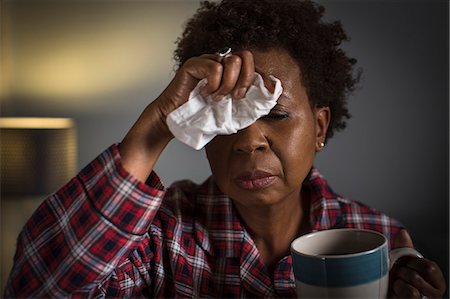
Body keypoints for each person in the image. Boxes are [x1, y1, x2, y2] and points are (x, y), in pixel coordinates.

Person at [5, 0, 446, 298]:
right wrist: (156, 125)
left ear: (319, 126)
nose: (249, 140)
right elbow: (36, 286)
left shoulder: (379, 239)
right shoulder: (161, 236)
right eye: (225, 120)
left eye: (275, 115)